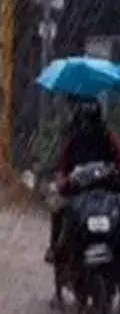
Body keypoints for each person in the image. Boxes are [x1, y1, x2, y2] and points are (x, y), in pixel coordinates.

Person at [46, 101, 120, 262]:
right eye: (87, 121)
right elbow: (62, 164)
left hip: (106, 190)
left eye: (92, 121)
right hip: (78, 190)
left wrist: (114, 173)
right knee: (58, 208)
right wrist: (63, 180)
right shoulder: (72, 138)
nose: (89, 126)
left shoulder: (109, 137)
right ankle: (55, 248)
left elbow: (119, 158)